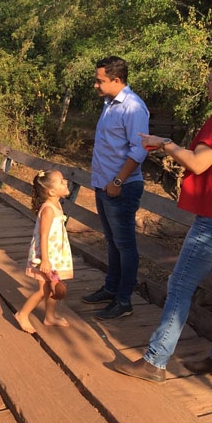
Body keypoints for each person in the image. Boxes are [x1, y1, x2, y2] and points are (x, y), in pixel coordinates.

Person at [113, 56, 212, 383]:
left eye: (210, 79)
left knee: (180, 284)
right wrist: (166, 145)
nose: (207, 84)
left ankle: (155, 361)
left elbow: (198, 164)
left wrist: (166, 143)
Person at [82, 56, 149, 319]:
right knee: (111, 242)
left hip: (122, 187)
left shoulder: (133, 108)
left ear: (117, 80)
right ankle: (111, 288)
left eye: (100, 81)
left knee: (125, 244)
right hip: (104, 185)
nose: (96, 86)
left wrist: (118, 181)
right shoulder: (110, 104)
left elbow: (139, 150)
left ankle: (124, 301)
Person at [14, 169, 74, 334]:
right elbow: (44, 235)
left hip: (54, 255)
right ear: (52, 191)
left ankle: (49, 316)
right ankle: (22, 314)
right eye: (62, 181)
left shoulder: (57, 204)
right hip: (44, 256)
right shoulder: (48, 209)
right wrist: (45, 260)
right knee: (44, 290)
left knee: (54, 286)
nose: (66, 182)